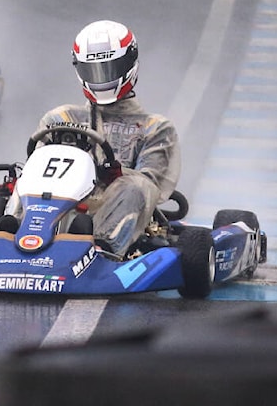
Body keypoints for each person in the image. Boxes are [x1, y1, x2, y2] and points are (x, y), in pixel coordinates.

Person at [35, 20, 181, 258]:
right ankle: (7, 235)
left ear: (129, 64)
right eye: (94, 70)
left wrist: (116, 174)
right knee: (23, 180)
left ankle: (103, 250)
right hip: (58, 206)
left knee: (136, 186)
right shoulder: (59, 118)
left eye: (109, 69)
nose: (102, 78)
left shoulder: (156, 127)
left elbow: (151, 186)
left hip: (115, 210)